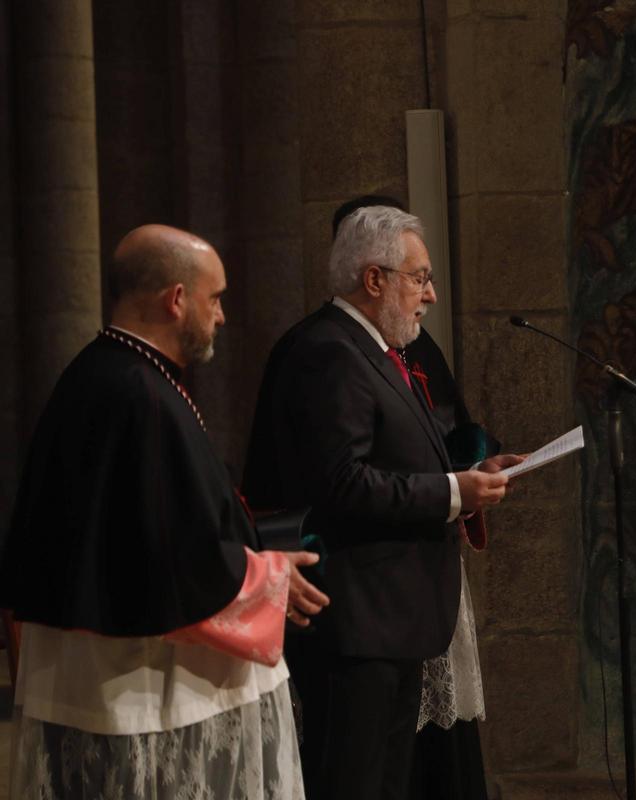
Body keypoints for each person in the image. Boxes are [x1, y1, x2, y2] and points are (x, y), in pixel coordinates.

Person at [0, 224, 329, 799]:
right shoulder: (141, 396)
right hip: (146, 685)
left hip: (95, 671)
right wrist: (270, 576)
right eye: (215, 297)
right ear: (177, 299)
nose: (222, 316)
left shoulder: (97, 373)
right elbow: (179, 563)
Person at [242, 205, 521, 799]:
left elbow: (398, 460)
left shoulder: (378, 351)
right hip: (357, 622)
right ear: (375, 280)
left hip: (389, 619)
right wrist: (453, 493)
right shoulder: (330, 351)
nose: (431, 295)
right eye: (419, 278)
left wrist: (467, 474)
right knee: (354, 785)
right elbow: (342, 482)